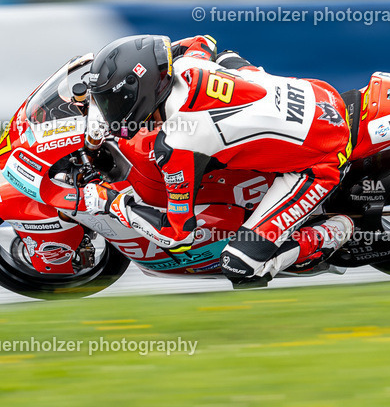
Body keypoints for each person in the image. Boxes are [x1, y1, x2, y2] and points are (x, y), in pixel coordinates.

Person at [82, 33, 354, 287]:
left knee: (240, 266)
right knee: (226, 58)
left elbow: (178, 236)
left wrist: (113, 204)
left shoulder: (179, 141)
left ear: (137, 91)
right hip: (318, 95)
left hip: (322, 156)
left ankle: (336, 230)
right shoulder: (187, 63)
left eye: (112, 103)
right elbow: (204, 41)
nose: (109, 112)